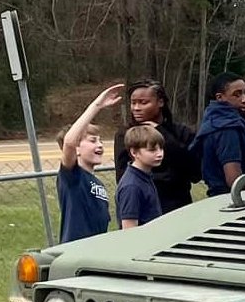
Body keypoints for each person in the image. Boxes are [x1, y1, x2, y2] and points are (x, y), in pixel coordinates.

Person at [113, 79, 198, 213]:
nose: (136, 108)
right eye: (133, 103)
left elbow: (195, 173)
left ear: (160, 102)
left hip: (179, 209)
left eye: (143, 102)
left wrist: (163, 134)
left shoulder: (181, 132)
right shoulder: (125, 135)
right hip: (143, 211)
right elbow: (122, 176)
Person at [56, 84, 122, 243]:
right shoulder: (72, 177)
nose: (99, 145)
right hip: (75, 254)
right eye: (93, 141)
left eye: (100, 141)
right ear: (77, 149)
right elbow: (69, 142)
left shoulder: (97, 183)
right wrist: (97, 105)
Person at [191, 72, 245, 196]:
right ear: (220, 97)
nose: (244, 99)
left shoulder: (215, 121)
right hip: (232, 199)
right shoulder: (226, 128)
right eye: (237, 95)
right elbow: (235, 180)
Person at [116, 125, 164, 229]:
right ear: (134, 152)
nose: (160, 154)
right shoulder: (132, 186)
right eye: (152, 150)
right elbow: (129, 230)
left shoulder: (145, 176)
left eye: (161, 148)